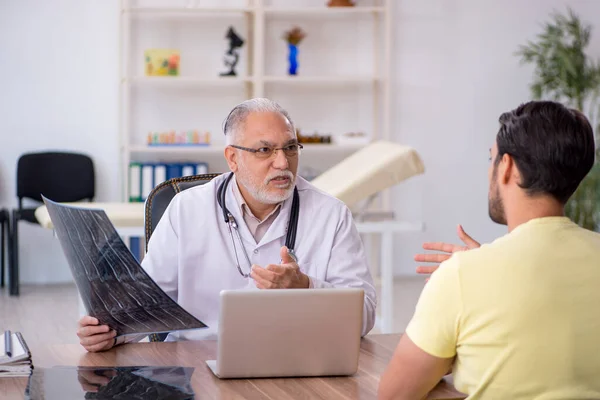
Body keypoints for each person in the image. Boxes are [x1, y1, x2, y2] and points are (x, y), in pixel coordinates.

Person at [77, 98, 377, 352]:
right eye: (265, 150)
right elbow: (148, 305)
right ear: (232, 158)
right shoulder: (186, 209)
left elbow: (364, 316)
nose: (283, 163)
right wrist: (111, 331)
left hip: (294, 363)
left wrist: (306, 288)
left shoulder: (331, 214)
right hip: (199, 364)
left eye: (290, 148)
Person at [378, 101, 600, 399]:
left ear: (506, 167)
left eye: (491, 158)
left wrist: (476, 274)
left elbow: (394, 394)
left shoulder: (461, 275)